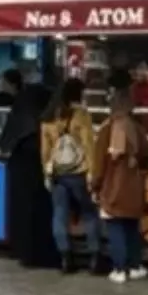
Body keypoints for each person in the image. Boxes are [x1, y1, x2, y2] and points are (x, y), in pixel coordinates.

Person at [90, 90, 148, 284]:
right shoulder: (138, 129)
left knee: (115, 228)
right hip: (134, 187)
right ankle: (135, 266)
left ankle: (119, 268)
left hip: (113, 186)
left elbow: (99, 162)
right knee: (132, 227)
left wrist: (95, 185)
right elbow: (147, 156)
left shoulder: (108, 129)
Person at [0, 74, 58, 269]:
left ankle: (25, 253)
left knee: (23, 214)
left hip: (20, 172)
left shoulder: (20, 117)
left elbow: (5, 143)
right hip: (38, 176)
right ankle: (42, 254)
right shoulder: (41, 122)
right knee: (40, 214)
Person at [40, 77, 100, 274]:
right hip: (79, 174)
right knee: (89, 214)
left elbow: (45, 151)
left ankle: (65, 258)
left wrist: (46, 174)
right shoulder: (81, 115)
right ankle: (94, 258)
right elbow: (89, 146)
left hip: (58, 174)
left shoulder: (48, 117)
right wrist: (92, 172)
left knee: (59, 215)